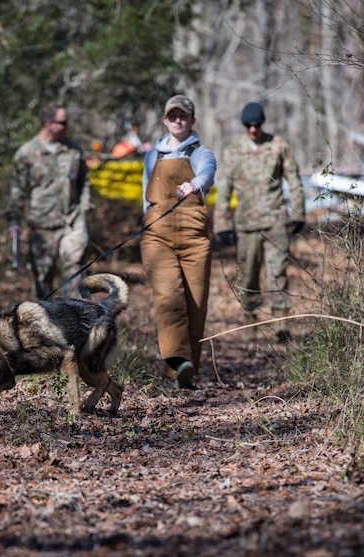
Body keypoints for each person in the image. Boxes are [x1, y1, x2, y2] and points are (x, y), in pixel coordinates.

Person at [140, 95, 217, 389]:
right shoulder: (152, 155)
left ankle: (183, 373)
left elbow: (207, 171)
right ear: (164, 120)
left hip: (194, 239)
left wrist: (196, 183)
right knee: (168, 295)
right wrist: (145, 219)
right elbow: (145, 194)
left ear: (192, 121)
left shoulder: (201, 152)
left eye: (183, 116)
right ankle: (176, 360)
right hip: (157, 237)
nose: (178, 120)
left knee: (195, 307)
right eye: (172, 116)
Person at [214, 101, 306, 342]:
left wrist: (297, 214)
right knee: (248, 275)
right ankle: (250, 325)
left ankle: (281, 325)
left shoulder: (277, 145)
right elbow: (223, 190)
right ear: (244, 126)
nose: (253, 129)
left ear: (262, 124)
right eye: (249, 125)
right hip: (246, 225)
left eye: (257, 124)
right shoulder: (233, 151)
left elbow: (294, 180)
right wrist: (222, 225)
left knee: (278, 273)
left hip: (275, 221)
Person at [5, 103, 91, 299]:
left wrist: (84, 207)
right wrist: (14, 221)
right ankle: (45, 324)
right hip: (42, 225)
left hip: (72, 221)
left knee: (75, 271)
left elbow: (84, 180)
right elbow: (17, 190)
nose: (67, 125)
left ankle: (80, 321)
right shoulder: (27, 153)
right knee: (43, 278)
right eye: (62, 122)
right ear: (47, 123)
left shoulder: (73, 150)